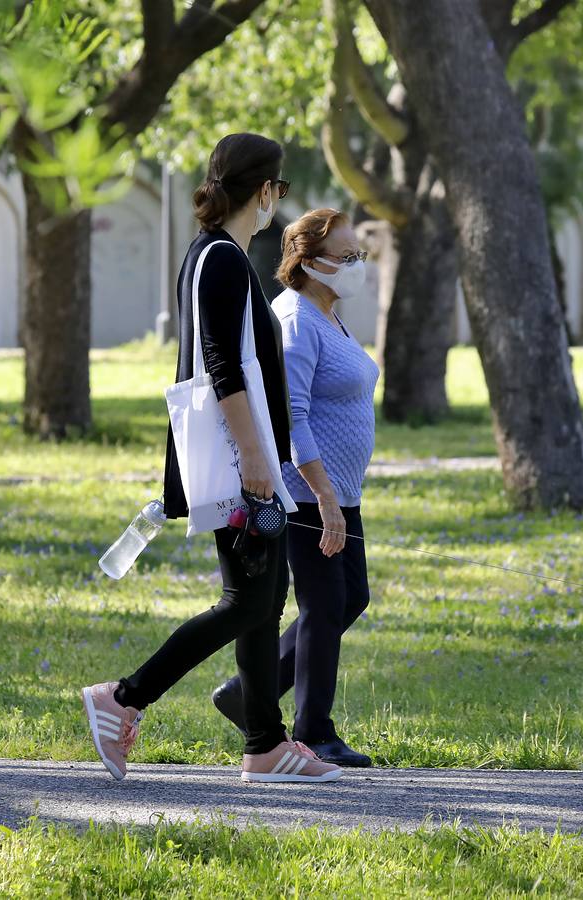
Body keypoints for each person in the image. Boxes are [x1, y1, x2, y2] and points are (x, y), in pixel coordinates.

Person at [79, 134, 341, 785]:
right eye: (278, 188)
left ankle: (264, 746)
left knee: (261, 595)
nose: (278, 199)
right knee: (247, 603)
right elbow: (221, 366)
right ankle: (123, 698)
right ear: (264, 190)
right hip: (234, 463)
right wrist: (255, 458)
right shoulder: (222, 259)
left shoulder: (212, 254)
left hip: (236, 459)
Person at [210, 209, 379, 768]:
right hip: (307, 493)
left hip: (338, 491)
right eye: (347, 257)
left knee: (349, 597)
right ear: (307, 262)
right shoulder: (297, 321)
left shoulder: (328, 315)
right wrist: (325, 498)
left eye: (359, 255)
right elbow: (293, 418)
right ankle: (314, 731)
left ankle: (244, 695)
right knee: (325, 603)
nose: (357, 266)